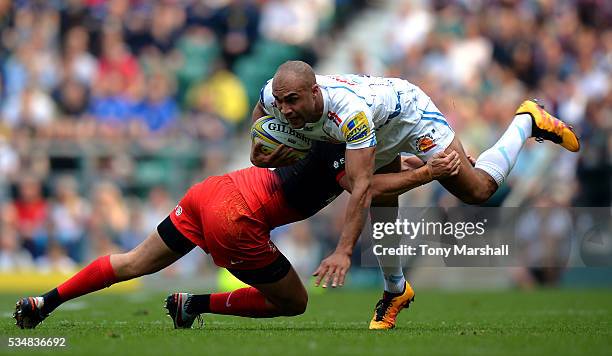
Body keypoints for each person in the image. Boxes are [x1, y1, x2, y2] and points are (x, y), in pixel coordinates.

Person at [250, 60, 580, 329]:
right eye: (281, 102)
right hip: (376, 122)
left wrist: (343, 251)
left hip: (409, 115)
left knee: (477, 189)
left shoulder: (349, 113)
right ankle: (395, 290)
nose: (285, 109)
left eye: (292, 100)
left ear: (314, 91)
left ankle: (527, 120)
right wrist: (257, 153)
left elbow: (362, 186)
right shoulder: (274, 96)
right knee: (382, 207)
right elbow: (261, 117)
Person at [13, 141, 463, 330]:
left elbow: (376, 167)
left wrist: (419, 165)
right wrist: (428, 173)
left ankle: (44, 302)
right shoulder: (347, 150)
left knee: (131, 262)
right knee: (294, 302)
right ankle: (194, 304)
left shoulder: (334, 132)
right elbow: (366, 186)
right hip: (238, 216)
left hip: (212, 190)